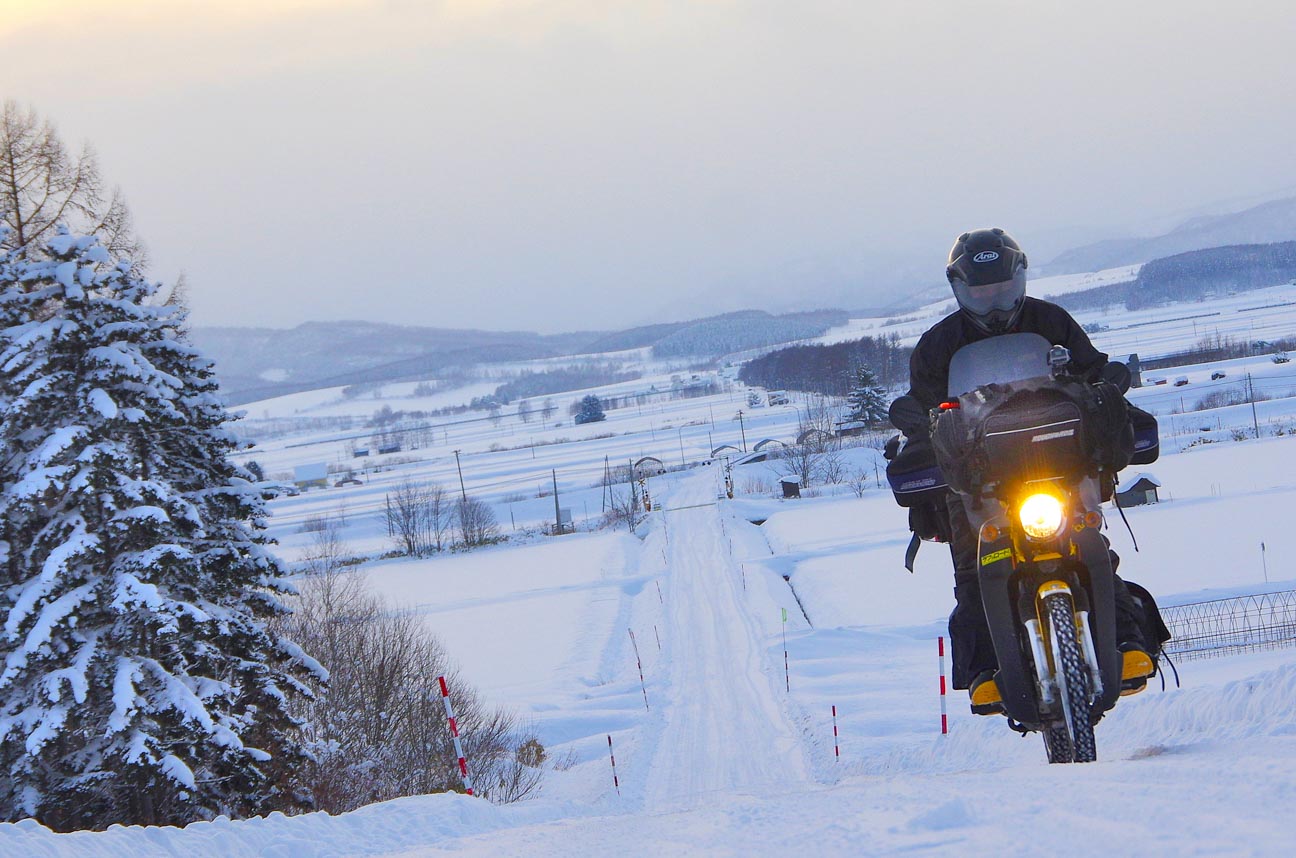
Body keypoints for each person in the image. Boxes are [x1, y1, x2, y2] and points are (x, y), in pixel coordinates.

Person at [894, 228, 1155, 713]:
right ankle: (985, 670)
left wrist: (1109, 388)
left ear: (1019, 279)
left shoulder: (1051, 321)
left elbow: (1093, 373)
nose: (994, 302)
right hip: (979, 475)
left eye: (1002, 289)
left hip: (1058, 462)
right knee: (973, 564)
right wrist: (917, 423)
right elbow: (925, 410)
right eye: (981, 293)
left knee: (1091, 542)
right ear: (959, 289)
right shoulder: (939, 345)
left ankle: (1125, 641)